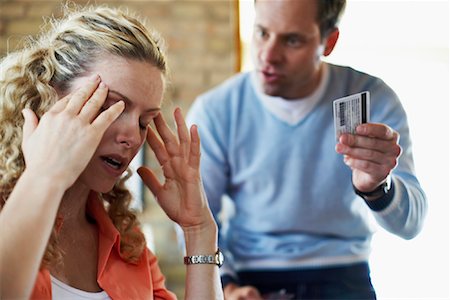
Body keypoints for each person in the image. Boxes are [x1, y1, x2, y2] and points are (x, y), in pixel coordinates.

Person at [186, 0, 427, 299]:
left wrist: (378, 187)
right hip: (248, 278)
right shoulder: (215, 112)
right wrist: (226, 284)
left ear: (329, 41)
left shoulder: (374, 98)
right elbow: (194, 219)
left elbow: (412, 225)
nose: (268, 55)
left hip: (344, 275)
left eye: (292, 40)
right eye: (262, 32)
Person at [0, 6, 223, 300]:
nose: (132, 137)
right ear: (49, 96)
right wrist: (46, 176)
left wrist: (200, 231)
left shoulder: (129, 248)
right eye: (110, 107)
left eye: (144, 123)